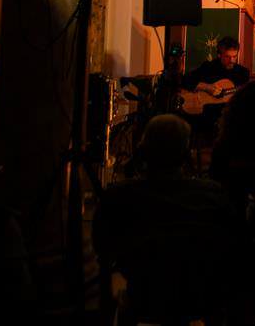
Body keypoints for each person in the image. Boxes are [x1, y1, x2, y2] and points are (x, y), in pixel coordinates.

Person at [94, 115, 242, 325]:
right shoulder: (212, 195)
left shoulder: (118, 196)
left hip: (144, 294)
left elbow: (102, 247)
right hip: (200, 295)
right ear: (185, 154)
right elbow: (232, 242)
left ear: (144, 150)